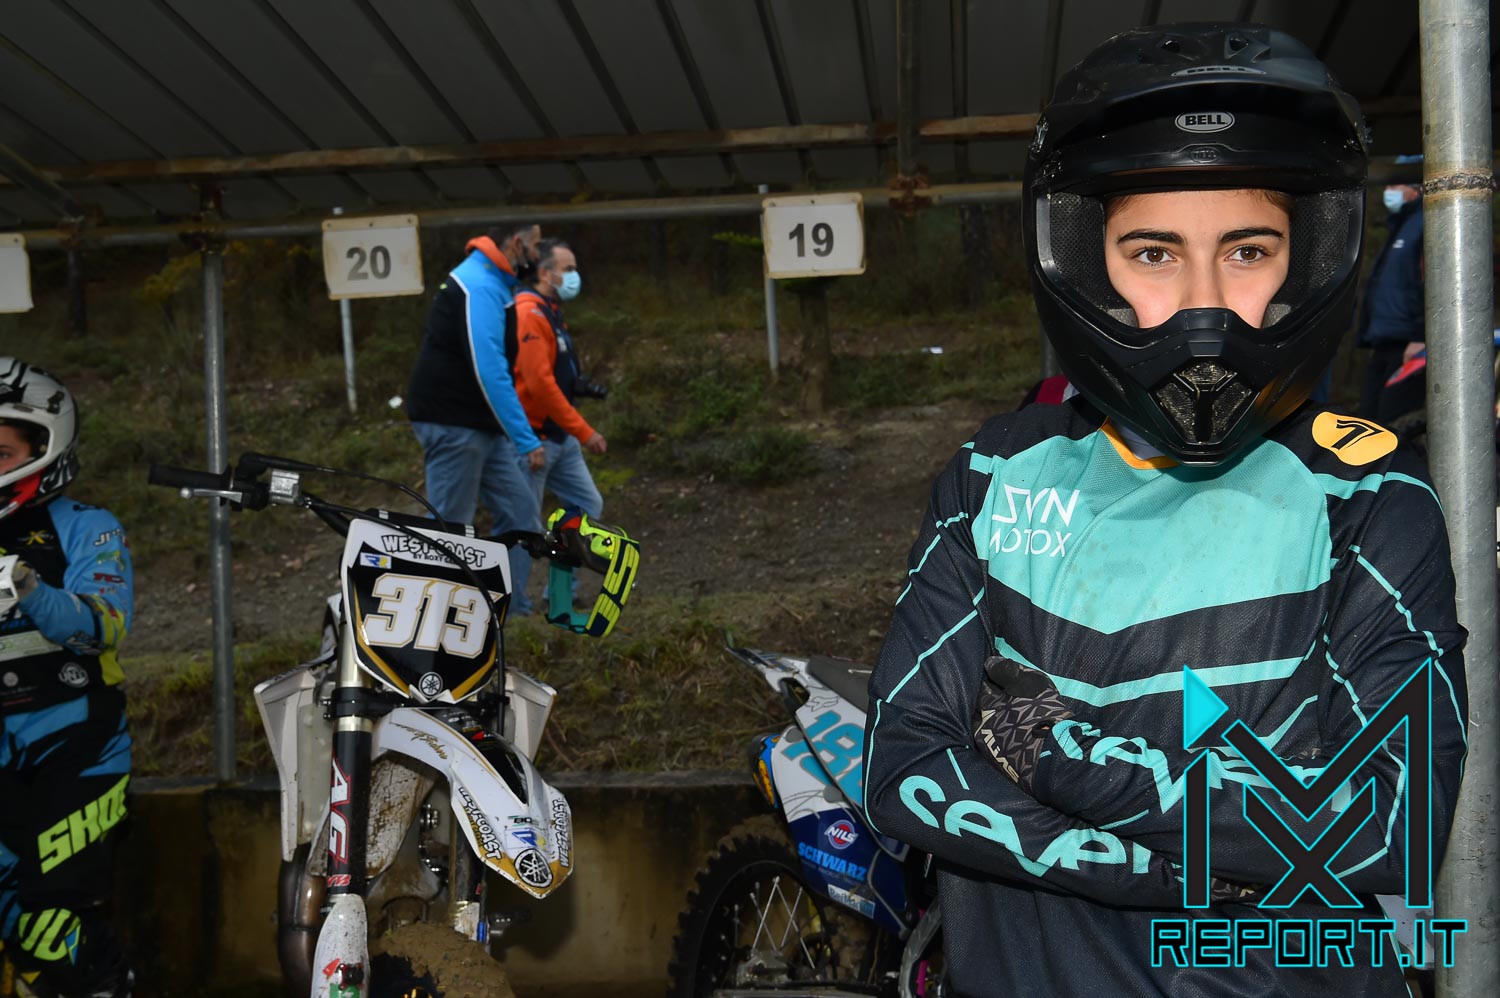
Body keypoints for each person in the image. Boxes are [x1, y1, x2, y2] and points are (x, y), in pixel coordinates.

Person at [862, 23, 1467, 997]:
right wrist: (1209, 870)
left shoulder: (1368, 495)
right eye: (1153, 252)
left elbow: (1391, 827)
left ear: (1304, 259)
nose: (1203, 306)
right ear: (1085, 262)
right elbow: (905, 773)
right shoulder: (997, 476)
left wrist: (1054, 751)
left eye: (1248, 250)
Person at [0, 359, 133, 996]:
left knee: (50, 927)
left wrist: (25, 584)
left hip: (77, 746)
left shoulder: (87, 526)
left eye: (1, 452)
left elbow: (104, 624)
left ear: (43, 449)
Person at [406, 224, 546, 605]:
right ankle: (426, 613)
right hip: (452, 421)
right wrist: (525, 438)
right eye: (535, 245)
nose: (539, 254)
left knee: (521, 514)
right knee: (450, 526)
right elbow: (490, 370)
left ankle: (509, 611)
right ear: (516, 245)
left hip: (479, 424)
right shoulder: (479, 285)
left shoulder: (495, 282)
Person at [508, 239, 608, 611]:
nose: (574, 275)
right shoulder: (529, 313)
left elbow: (554, 373)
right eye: (567, 269)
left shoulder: (551, 312)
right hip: (533, 438)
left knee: (585, 504)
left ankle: (560, 593)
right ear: (545, 273)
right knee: (522, 523)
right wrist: (585, 431)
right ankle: (514, 606)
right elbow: (538, 383)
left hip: (559, 437)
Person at [1356, 164, 1425, 419]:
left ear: (1416, 190)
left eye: (1395, 185)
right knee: (1369, 420)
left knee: (1394, 422)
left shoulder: (1425, 223)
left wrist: (1421, 336)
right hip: (1384, 341)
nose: (1388, 191)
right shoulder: (1400, 225)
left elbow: (1430, 281)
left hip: (1410, 345)